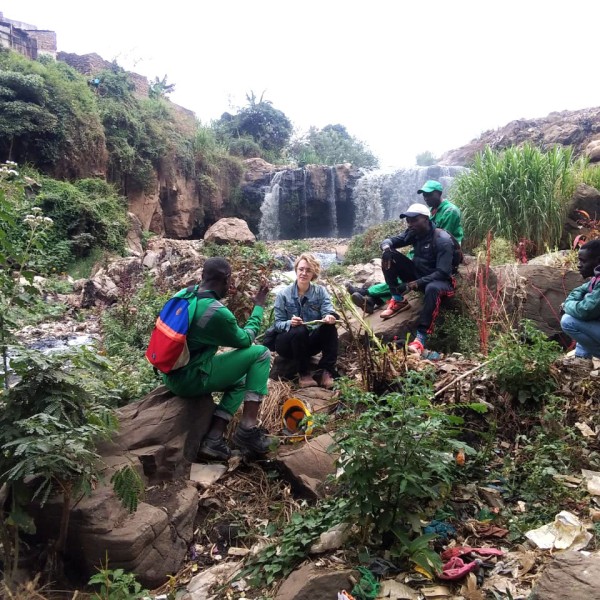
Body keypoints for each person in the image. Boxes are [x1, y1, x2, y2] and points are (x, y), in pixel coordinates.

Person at [162, 257, 274, 461]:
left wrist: (219, 294)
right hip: (191, 378)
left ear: (202, 276)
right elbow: (246, 339)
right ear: (227, 280)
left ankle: (214, 439)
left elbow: (199, 318)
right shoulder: (216, 312)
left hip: (170, 372)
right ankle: (247, 430)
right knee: (261, 353)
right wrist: (258, 306)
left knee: (240, 383)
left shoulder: (184, 293)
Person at [348, 180, 463, 313]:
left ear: (439, 193)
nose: (426, 198)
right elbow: (408, 236)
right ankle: (373, 301)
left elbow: (441, 238)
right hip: (426, 250)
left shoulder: (450, 211)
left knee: (403, 276)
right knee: (395, 266)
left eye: (429, 194)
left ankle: (367, 292)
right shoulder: (431, 211)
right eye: (424, 195)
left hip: (444, 255)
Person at [378, 203, 456, 355]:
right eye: (408, 220)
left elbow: (443, 273)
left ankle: (420, 338)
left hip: (442, 282)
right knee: (389, 255)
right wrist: (386, 248)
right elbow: (390, 241)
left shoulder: (442, 239)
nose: (410, 224)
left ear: (426, 219)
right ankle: (397, 299)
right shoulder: (414, 233)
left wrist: (414, 284)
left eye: (414, 220)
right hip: (419, 275)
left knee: (432, 288)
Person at [273, 253, 339, 389]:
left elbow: (328, 309)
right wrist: (289, 323)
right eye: (301, 269)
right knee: (299, 329)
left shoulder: (320, 292)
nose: (304, 273)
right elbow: (278, 324)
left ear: (313, 273)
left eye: (308, 270)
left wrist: (328, 317)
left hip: (308, 345)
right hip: (287, 345)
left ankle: (326, 371)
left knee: (330, 326)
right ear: (296, 270)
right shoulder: (283, 294)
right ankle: (304, 374)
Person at [560, 238, 600, 360]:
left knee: (568, 321)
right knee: (580, 315)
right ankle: (581, 360)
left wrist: (566, 306)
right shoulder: (596, 278)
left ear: (598, 260)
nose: (579, 265)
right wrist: (571, 303)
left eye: (583, 261)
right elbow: (579, 290)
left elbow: (586, 310)